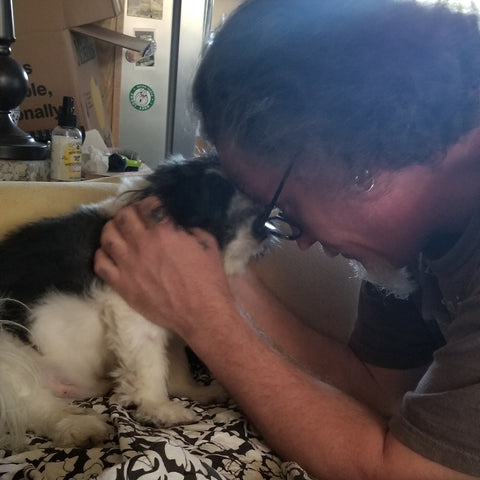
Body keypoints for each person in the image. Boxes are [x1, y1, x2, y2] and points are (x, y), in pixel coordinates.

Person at [94, 0, 480, 478]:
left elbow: (408, 473)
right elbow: (379, 386)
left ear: (363, 163)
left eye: (285, 208)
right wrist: (221, 283)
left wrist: (208, 319)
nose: (301, 239)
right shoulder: (411, 246)